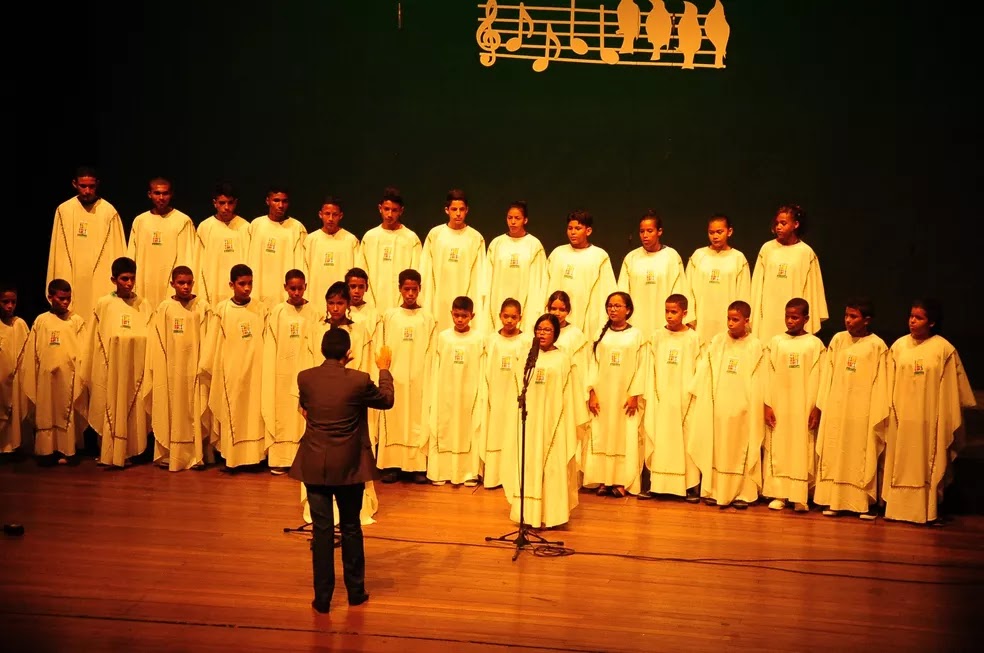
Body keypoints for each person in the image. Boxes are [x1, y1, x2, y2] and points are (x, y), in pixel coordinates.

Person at [290, 328, 394, 614]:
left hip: (315, 464)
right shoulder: (359, 380)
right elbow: (386, 400)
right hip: (349, 465)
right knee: (350, 527)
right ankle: (355, 592)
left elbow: (307, 408)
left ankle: (323, 599)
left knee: (322, 531)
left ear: (322, 350)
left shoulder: (305, 377)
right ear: (348, 353)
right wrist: (384, 369)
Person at [881, 299, 976, 525]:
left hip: (930, 419)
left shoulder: (943, 349)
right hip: (901, 418)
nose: (912, 321)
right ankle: (896, 509)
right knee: (899, 460)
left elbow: (952, 390)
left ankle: (929, 510)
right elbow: (887, 383)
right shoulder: (899, 346)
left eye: (919, 317)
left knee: (929, 460)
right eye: (911, 316)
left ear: (931, 322)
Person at [501, 313, 588, 528]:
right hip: (529, 421)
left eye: (547, 330)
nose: (542, 333)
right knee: (528, 462)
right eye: (539, 329)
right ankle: (528, 514)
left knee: (552, 465)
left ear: (556, 333)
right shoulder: (526, 355)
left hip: (555, 422)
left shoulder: (563, 359)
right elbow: (516, 388)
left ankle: (552, 515)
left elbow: (571, 394)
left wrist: (567, 420)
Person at [814, 297, 889, 519]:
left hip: (862, 410)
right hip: (837, 407)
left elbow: (881, 382)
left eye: (853, 316)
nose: (848, 320)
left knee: (860, 452)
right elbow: (828, 374)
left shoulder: (877, 345)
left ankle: (862, 503)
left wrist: (875, 411)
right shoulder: (838, 340)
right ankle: (834, 500)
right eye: (846, 315)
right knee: (836, 449)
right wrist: (824, 404)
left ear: (866, 320)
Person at [686, 300, 766, 508]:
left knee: (740, 448)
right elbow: (706, 371)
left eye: (735, 319)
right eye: (728, 319)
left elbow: (758, 380)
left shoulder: (755, 345)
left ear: (746, 321)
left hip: (743, 407)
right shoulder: (718, 341)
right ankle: (714, 490)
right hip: (718, 405)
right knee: (717, 447)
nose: (730, 323)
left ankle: (742, 493)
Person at [198, 263, 268, 470]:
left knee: (254, 414)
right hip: (231, 373)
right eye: (242, 284)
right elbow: (214, 343)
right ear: (231, 284)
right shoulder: (222, 310)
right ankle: (233, 458)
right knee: (233, 414)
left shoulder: (261, 309)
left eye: (250, 283)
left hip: (256, 372)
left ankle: (255, 457)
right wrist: (210, 367)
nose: (247, 288)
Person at [86, 256, 154, 468]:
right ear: (113, 279)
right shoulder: (105, 304)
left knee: (134, 408)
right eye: (124, 279)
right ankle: (108, 451)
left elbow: (150, 335)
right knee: (111, 405)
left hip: (136, 371)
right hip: (112, 370)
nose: (129, 283)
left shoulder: (143, 304)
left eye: (132, 278)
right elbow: (96, 340)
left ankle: (131, 451)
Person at [762, 298, 826, 511]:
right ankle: (779, 493)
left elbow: (820, 377)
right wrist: (767, 404)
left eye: (795, 317)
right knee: (779, 447)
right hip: (780, 405)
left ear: (806, 319)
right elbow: (767, 375)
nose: (790, 321)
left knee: (801, 445)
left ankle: (799, 495)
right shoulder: (776, 342)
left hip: (803, 405)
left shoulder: (814, 344)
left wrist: (816, 407)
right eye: (787, 316)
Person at [145, 265, 211, 471]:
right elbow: (157, 343)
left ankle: (196, 455)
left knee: (195, 409)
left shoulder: (202, 307)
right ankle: (171, 455)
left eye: (189, 283)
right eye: (181, 283)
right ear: (172, 283)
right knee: (172, 409)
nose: (185, 287)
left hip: (195, 371)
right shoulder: (164, 308)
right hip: (171, 371)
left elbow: (208, 340)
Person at [583, 291, 647, 497]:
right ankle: (603, 479)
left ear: (628, 310)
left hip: (625, 396)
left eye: (618, 306)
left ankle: (621, 481)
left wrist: (634, 394)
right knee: (602, 435)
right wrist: (592, 393)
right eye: (610, 305)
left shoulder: (636, 335)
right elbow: (592, 364)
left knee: (623, 436)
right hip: (603, 396)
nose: (613, 309)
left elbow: (642, 366)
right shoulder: (600, 334)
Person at [375, 269, 436, 484]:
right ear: (399, 289)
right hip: (396, 376)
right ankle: (392, 465)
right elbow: (383, 346)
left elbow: (431, 350)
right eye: (406, 289)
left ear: (420, 289)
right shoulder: (390, 315)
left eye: (414, 289)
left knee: (417, 419)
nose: (410, 294)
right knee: (394, 418)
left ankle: (417, 466)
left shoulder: (427, 317)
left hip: (419, 378)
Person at [46, 166, 127, 324]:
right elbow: (58, 252)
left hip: (99, 281)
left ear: (97, 184)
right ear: (74, 184)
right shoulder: (64, 210)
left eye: (91, 186)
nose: (87, 191)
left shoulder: (108, 212)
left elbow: (118, 253)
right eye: (83, 186)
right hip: (72, 276)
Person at [643, 293, 702, 502]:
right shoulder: (657, 336)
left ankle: (689, 485)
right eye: (667, 311)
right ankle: (656, 484)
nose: (669, 315)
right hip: (660, 396)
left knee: (686, 437)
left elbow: (698, 368)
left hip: (684, 398)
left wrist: (692, 393)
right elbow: (650, 366)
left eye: (674, 312)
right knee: (659, 435)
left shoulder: (693, 338)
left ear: (685, 313)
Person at [22, 279, 89, 463]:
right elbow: (32, 352)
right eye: (61, 298)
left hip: (69, 378)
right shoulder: (41, 321)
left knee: (66, 411)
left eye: (68, 298)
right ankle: (47, 451)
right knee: (47, 411)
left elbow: (84, 351)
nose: (66, 302)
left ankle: (66, 450)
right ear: (50, 297)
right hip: (46, 379)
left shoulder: (76, 321)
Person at [424, 296, 486, 486]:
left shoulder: (478, 339)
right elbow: (437, 366)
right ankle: (440, 471)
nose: (460, 319)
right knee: (444, 427)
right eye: (456, 315)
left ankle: (468, 472)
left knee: (467, 429)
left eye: (464, 316)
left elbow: (481, 368)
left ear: (472, 316)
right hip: (446, 391)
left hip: (469, 393)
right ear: (451, 313)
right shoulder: (443, 337)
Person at [262, 269, 320, 474]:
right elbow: (271, 346)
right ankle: (281, 459)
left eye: (300, 288)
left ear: (306, 287)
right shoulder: (277, 312)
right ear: (285, 287)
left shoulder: (314, 312)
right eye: (292, 288)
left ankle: (303, 460)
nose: (296, 292)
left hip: (306, 371)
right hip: (282, 373)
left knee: (303, 416)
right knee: (283, 414)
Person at [750, 204, 827, 343]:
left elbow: (812, 290)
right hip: (769, 312)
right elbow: (757, 285)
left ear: (795, 224)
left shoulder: (806, 253)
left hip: (794, 312)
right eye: (777, 223)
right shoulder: (767, 249)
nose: (778, 227)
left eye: (783, 223)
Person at [419, 189, 488, 333]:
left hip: (466, 295)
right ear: (447, 210)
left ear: (467, 210)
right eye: (454, 209)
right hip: (440, 297)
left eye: (461, 209)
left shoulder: (475, 238)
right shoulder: (435, 235)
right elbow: (425, 270)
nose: (458, 213)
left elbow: (480, 274)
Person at [127, 177, 200, 309]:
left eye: (165, 193)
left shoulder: (182, 221)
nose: (161, 197)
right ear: (149, 194)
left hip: (171, 284)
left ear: (171, 194)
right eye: (157, 193)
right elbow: (132, 256)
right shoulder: (140, 221)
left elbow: (187, 257)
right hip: (146, 281)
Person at [479, 298, 529, 489]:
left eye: (513, 317)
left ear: (520, 318)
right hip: (495, 393)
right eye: (506, 316)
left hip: (515, 395)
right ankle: (494, 476)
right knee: (495, 429)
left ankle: (513, 477)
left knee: (513, 430)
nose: (509, 320)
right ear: (499, 316)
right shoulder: (492, 340)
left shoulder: (526, 341)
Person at [617, 210, 690, 338]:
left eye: (649, 231)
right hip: (636, 321)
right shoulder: (631, 258)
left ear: (659, 231)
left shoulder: (671, 257)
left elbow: (679, 291)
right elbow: (623, 294)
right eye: (642, 231)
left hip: (664, 321)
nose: (645, 235)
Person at [545, 210, 617, 340]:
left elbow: (607, 291)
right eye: (570, 228)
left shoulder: (599, 256)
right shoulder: (557, 254)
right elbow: (545, 286)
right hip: (557, 318)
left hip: (586, 319)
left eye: (577, 228)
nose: (573, 232)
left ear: (588, 231)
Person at [685, 214, 751, 344]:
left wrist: (739, 321)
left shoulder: (738, 258)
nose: (715, 236)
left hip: (727, 320)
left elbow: (743, 293)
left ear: (729, 231)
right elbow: (688, 289)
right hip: (702, 319)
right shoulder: (698, 256)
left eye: (719, 232)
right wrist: (690, 318)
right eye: (711, 232)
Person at [484, 201, 547, 334]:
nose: (513, 222)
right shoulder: (497, 243)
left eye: (517, 218)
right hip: (499, 295)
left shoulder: (534, 245)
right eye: (510, 218)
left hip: (525, 297)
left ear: (525, 220)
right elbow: (487, 276)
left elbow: (538, 281)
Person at [357, 187, 421, 312]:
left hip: (402, 307)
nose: (390, 214)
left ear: (401, 211)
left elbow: (415, 274)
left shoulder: (411, 238)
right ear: (380, 208)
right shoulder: (370, 237)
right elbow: (362, 272)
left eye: (394, 210)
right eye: (386, 209)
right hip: (372, 305)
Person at [246, 185, 307, 310]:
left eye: (284, 201)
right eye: (276, 200)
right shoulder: (256, 225)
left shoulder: (296, 228)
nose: (280, 205)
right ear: (268, 201)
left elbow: (301, 264)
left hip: (284, 293)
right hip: (260, 288)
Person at [195, 182, 251, 307]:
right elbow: (198, 263)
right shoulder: (205, 227)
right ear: (215, 203)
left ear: (235, 203)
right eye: (222, 203)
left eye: (230, 203)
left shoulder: (245, 227)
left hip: (239, 291)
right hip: (213, 287)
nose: (226, 207)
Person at [303, 196, 359, 311]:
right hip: (315, 298)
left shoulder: (350, 240)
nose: (330, 218)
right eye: (327, 214)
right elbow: (304, 270)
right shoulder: (311, 240)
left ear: (341, 216)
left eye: (335, 215)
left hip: (342, 302)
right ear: (320, 214)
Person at [0, 283, 29, 455]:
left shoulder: (19, 324)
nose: (10, 306)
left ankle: (14, 446)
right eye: (5, 302)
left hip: (15, 382)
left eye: (13, 302)